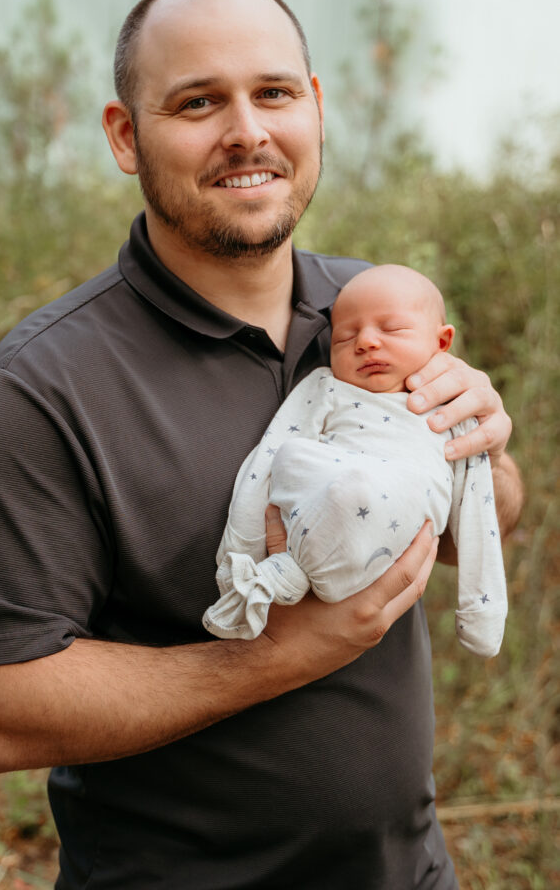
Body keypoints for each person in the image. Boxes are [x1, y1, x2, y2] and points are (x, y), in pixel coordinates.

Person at [0, 0, 523, 890]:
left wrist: (483, 453)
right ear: (125, 135)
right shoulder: (44, 386)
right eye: (198, 102)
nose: (247, 131)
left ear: (314, 107)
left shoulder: (376, 312)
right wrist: (269, 659)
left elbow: (478, 519)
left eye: (273, 92)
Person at [204, 263, 507, 658]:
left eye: (392, 329)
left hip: (384, 528)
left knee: (356, 488)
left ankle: (289, 573)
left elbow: (477, 510)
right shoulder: (327, 387)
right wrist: (238, 554)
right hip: (315, 512)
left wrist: (482, 612)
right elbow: (267, 459)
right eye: (344, 337)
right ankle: (275, 577)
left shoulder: (456, 407)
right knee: (293, 456)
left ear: (442, 341)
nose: (365, 342)